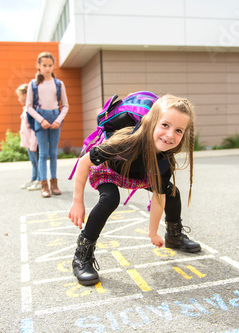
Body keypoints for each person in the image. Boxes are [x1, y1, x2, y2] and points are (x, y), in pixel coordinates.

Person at [68, 95, 201, 286]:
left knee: (172, 192)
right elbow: (84, 162)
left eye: (178, 130)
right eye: (165, 125)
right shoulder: (125, 141)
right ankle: (82, 256)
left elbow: (159, 196)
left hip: (139, 174)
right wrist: (77, 202)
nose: (170, 135)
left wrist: (153, 232)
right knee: (110, 198)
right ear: (151, 121)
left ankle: (174, 235)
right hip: (111, 169)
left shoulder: (165, 159)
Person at [26, 52, 69, 198]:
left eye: (50, 65)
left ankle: (54, 184)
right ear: (38, 65)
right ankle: (43, 185)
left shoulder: (59, 84)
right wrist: (41, 120)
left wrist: (58, 120)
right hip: (41, 120)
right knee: (43, 154)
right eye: (44, 65)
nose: (47, 68)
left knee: (53, 154)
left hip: (55, 118)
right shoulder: (33, 84)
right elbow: (29, 107)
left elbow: (65, 106)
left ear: (53, 66)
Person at [17, 83, 41, 191]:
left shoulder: (31, 110)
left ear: (26, 95)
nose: (19, 99)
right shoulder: (25, 108)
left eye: (19, 96)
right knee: (33, 162)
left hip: (33, 142)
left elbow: (33, 128)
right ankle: (34, 178)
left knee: (37, 161)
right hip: (28, 142)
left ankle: (40, 180)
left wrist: (33, 143)